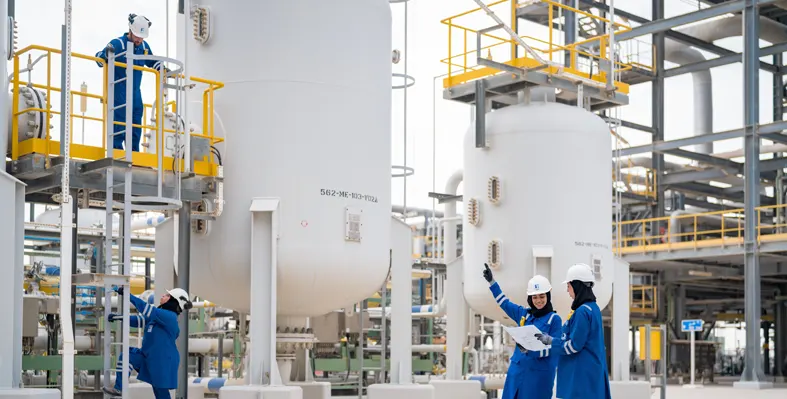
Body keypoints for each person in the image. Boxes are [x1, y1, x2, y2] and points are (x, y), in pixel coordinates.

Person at [483, 263, 562, 399]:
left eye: (542, 296)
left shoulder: (554, 320)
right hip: (517, 371)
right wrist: (492, 282)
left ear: (548, 296)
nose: (538, 301)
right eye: (535, 297)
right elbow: (504, 302)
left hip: (538, 376)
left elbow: (556, 348)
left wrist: (532, 351)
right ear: (530, 299)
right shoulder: (524, 314)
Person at [534, 263, 611, 399]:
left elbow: (574, 346)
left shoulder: (582, 312)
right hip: (590, 375)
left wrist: (551, 341)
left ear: (577, 286)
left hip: (580, 378)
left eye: (568, 286)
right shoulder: (593, 309)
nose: (567, 290)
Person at [103, 286, 192, 399]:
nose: (163, 296)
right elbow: (139, 320)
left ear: (174, 301)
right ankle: (119, 388)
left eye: (167, 295)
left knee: (160, 392)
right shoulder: (158, 317)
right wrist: (119, 317)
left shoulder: (168, 316)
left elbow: (145, 308)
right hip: (149, 357)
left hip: (163, 360)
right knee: (127, 356)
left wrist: (127, 295)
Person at [95, 14, 165, 152]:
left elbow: (152, 61)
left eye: (142, 37)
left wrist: (162, 68)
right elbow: (98, 59)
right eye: (137, 36)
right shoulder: (117, 44)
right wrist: (106, 55)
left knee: (136, 120)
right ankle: (116, 151)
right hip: (119, 90)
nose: (139, 39)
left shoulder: (143, 46)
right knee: (119, 120)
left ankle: (134, 153)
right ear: (130, 31)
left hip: (135, 92)